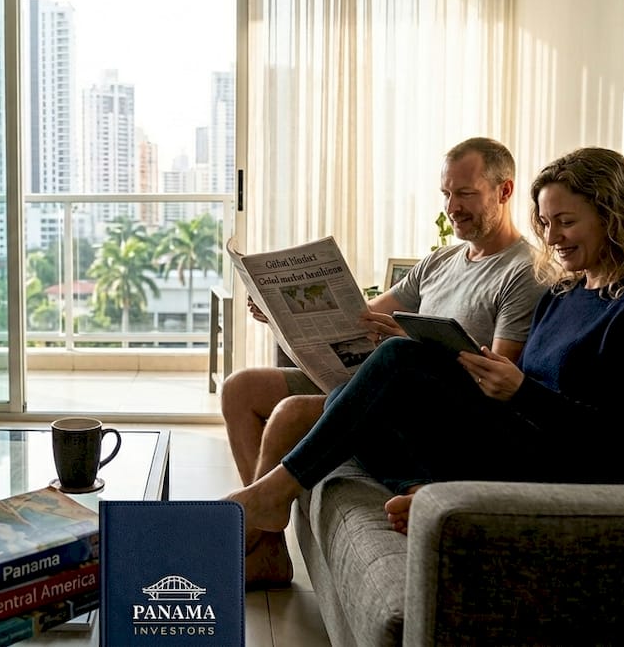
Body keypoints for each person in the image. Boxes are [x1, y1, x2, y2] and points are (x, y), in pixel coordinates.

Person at [227, 146, 624, 540]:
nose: (552, 238)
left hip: (568, 470)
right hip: (516, 437)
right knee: (348, 401)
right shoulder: (564, 292)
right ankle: (422, 488)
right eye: (547, 223)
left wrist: (520, 391)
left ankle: (275, 492)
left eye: (566, 222)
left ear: (612, 216)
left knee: (398, 358)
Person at [222, 137, 547, 587]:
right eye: (446, 194)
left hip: (444, 411)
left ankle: (261, 510)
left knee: (294, 411)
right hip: (382, 381)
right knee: (241, 388)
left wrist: (415, 345)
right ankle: (269, 549)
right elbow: (363, 316)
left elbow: (494, 381)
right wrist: (281, 310)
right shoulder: (441, 261)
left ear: (504, 191)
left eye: (465, 193)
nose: (453, 206)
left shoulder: (523, 271)